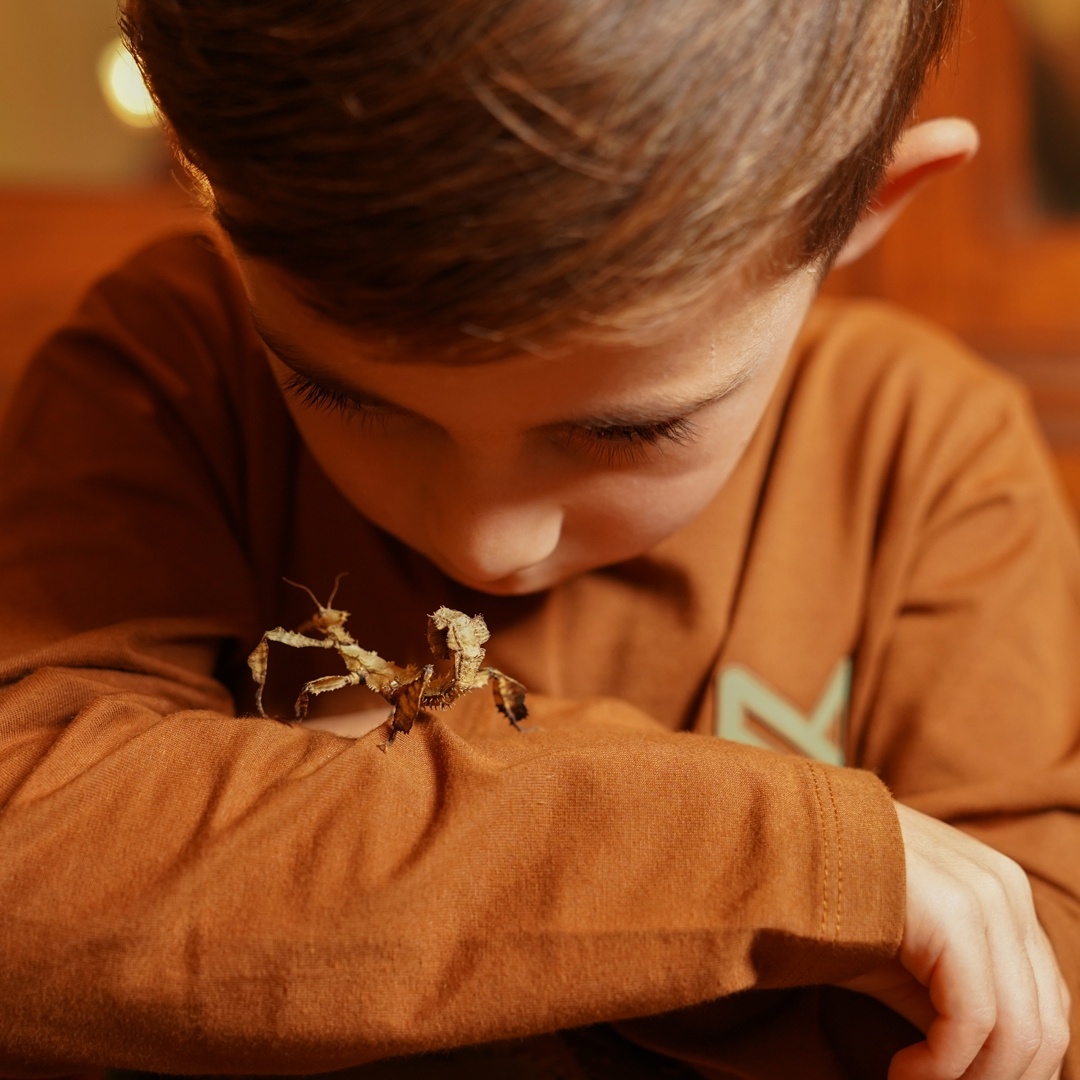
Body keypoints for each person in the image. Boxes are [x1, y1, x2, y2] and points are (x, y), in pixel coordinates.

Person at [0, 1, 1075, 1077]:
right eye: (342, 395)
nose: (489, 545)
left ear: (862, 205)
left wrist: (300, 830)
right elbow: (30, 875)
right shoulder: (170, 368)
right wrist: (784, 862)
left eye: (627, 431)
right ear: (205, 179)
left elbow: (1025, 989)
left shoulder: (924, 455)